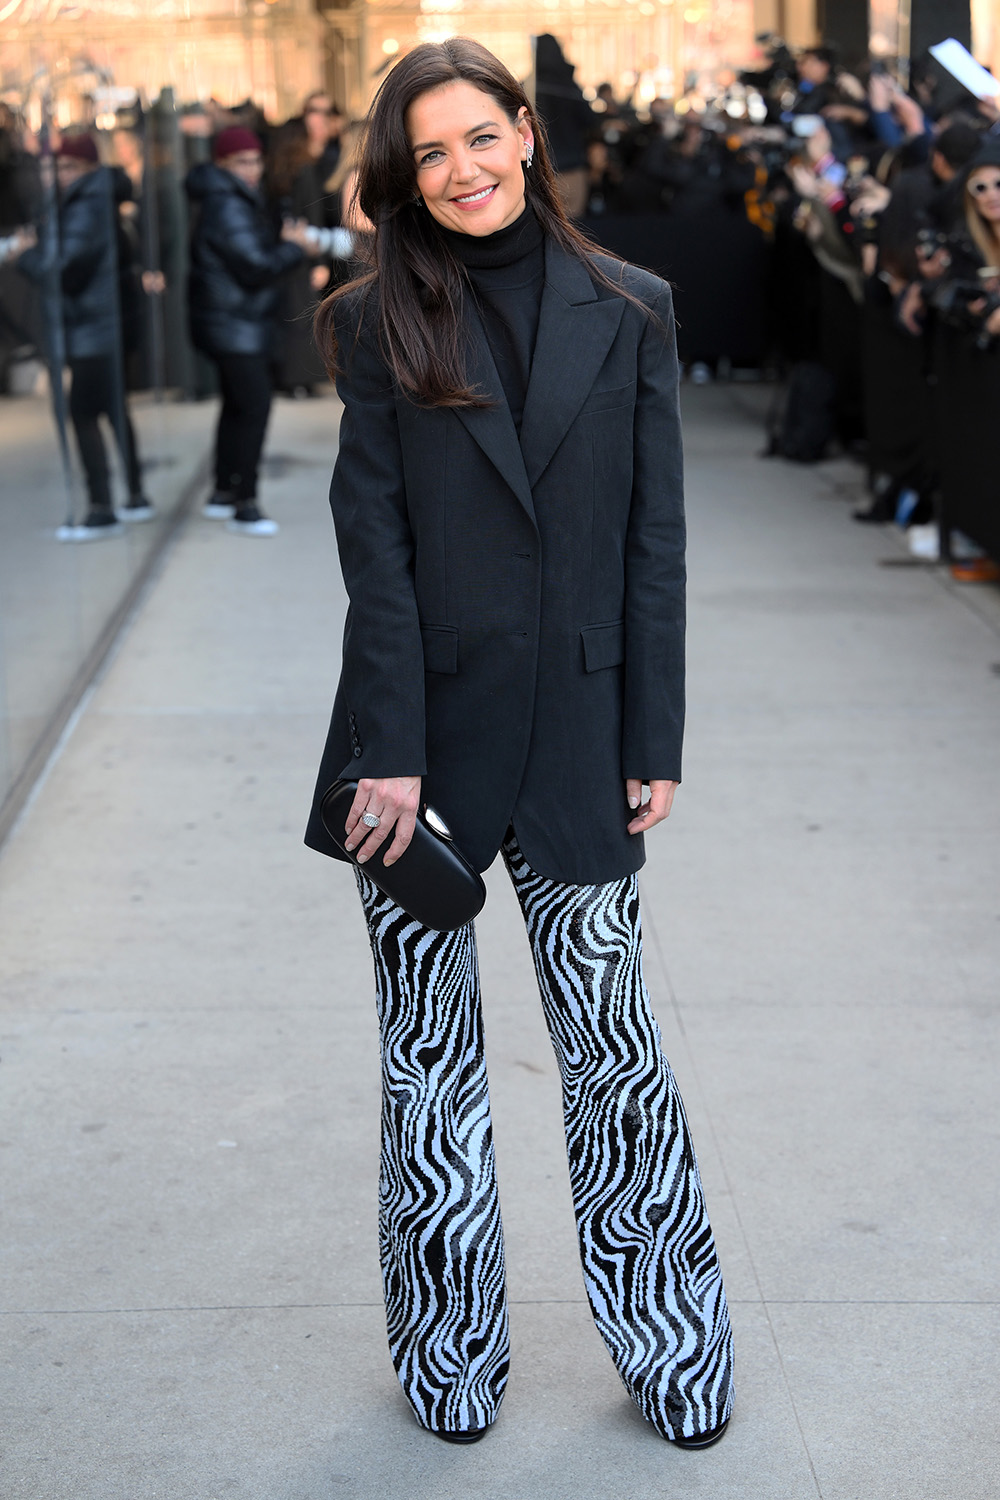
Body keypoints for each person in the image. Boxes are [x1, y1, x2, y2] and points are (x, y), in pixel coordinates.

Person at [305, 37, 734, 1448]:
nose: (462, 171)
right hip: (409, 752)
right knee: (431, 1076)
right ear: (401, 176)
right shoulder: (372, 321)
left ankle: (674, 1349)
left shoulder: (636, 307)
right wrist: (388, 750)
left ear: (528, 134)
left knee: (614, 1054)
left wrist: (652, 732)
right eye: (429, 153)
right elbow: (373, 551)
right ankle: (450, 1366)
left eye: (479, 138)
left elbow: (655, 545)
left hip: (584, 735)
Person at [17, 133, 152, 537]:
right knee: (112, 408)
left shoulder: (85, 205)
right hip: (102, 323)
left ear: (89, 170)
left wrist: (24, 255)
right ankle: (133, 495)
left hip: (94, 327)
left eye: (70, 167)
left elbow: (59, 269)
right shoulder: (91, 201)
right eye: (56, 167)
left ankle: (101, 508)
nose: (61, 175)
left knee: (84, 413)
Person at [185, 125, 312, 536]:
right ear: (223, 164)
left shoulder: (227, 197)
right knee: (253, 408)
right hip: (236, 324)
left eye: (256, 160)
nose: (252, 169)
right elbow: (256, 266)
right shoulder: (227, 203)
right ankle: (246, 504)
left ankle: (224, 491)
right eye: (242, 162)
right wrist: (295, 247)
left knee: (237, 407)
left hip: (231, 322)